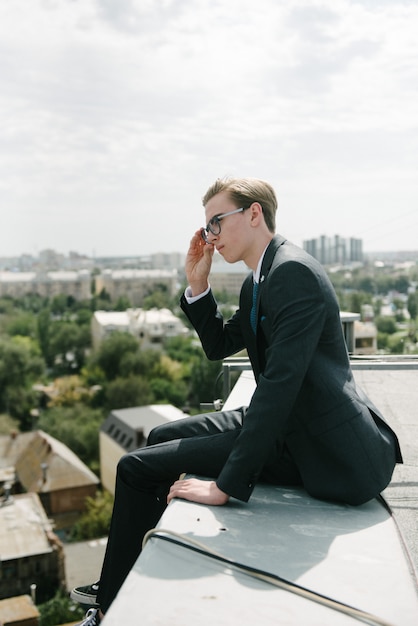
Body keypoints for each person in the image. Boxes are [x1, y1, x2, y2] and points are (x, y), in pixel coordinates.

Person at [71, 177, 402, 625]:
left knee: (134, 468)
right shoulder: (258, 282)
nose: (210, 236)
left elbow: (281, 388)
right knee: (158, 436)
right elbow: (218, 345)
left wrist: (225, 486)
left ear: (253, 214)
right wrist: (198, 285)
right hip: (289, 425)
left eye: (216, 222)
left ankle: (109, 606)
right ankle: (125, 570)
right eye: (206, 227)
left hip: (331, 451)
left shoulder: (294, 273)